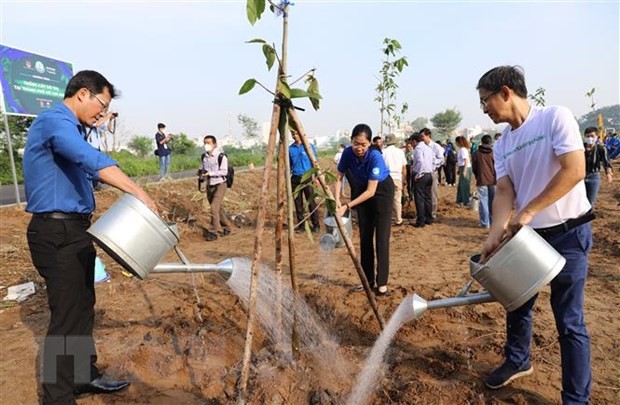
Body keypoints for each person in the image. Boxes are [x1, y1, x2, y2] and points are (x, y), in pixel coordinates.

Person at [22, 70, 157, 405]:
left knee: (83, 308)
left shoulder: (76, 128)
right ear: (83, 93)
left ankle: (83, 375)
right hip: (55, 232)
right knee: (66, 316)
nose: (103, 113)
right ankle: (57, 396)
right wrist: (136, 190)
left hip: (76, 230)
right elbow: (89, 160)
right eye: (103, 104)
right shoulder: (55, 121)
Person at [477, 65, 594, 404]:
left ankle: (575, 398)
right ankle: (517, 360)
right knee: (517, 303)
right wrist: (494, 234)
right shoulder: (503, 145)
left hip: (569, 233)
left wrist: (529, 210)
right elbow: (503, 192)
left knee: (569, 320)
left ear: (505, 92)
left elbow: (575, 169)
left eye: (485, 101)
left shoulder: (554, 118)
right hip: (530, 239)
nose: (484, 109)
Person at [334, 124, 394, 296]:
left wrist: (347, 206)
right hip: (362, 191)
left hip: (381, 192)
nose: (359, 148)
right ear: (351, 141)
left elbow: (371, 191)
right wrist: (337, 199)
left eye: (363, 145)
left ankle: (381, 284)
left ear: (369, 144)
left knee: (381, 239)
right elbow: (339, 177)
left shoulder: (375, 157)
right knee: (365, 238)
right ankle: (368, 281)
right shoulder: (347, 153)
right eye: (356, 143)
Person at [200, 135, 232, 241]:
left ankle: (215, 231)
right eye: (205, 143)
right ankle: (227, 227)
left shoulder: (221, 157)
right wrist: (202, 175)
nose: (206, 145)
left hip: (220, 184)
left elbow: (224, 171)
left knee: (214, 208)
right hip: (210, 185)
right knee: (218, 209)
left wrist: (211, 173)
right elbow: (204, 171)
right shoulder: (204, 157)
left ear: (215, 144)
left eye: (209, 143)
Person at [289, 130, 320, 233]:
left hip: (307, 177)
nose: (295, 136)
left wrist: (317, 177)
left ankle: (316, 225)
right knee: (298, 203)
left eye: (296, 133)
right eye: (293, 134)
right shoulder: (290, 149)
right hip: (295, 178)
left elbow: (315, 162)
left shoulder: (309, 146)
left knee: (311, 201)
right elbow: (288, 165)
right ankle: (301, 226)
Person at [583, 127, 613, 208]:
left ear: (596, 137)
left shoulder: (601, 148)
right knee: (579, 201)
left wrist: (609, 174)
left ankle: (587, 220)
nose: (590, 138)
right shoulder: (580, 148)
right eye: (588, 136)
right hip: (580, 177)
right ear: (585, 137)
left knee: (590, 202)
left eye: (592, 136)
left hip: (594, 177)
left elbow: (606, 162)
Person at [86, 112, 117, 191]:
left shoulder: (98, 122)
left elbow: (108, 129)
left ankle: (96, 185)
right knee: (89, 167)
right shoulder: (88, 121)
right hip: (90, 147)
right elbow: (98, 124)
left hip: (97, 147)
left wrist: (110, 120)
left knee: (96, 167)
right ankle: (90, 186)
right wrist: (108, 116)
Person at [471, 134, 496, 228]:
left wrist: (477, 176)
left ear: (482, 142)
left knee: (483, 202)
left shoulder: (477, 153)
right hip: (493, 180)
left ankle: (485, 223)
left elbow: (474, 167)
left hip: (482, 179)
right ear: (490, 142)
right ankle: (492, 221)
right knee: (492, 202)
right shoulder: (494, 153)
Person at [409, 133, 434, 228]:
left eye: (412, 142)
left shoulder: (418, 149)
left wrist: (419, 174)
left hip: (421, 175)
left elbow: (420, 161)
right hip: (429, 174)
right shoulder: (428, 148)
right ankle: (429, 218)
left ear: (415, 141)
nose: (411, 145)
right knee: (428, 197)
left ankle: (421, 221)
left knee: (419, 198)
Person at [382, 134, 407, 225]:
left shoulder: (383, 152)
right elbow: (404, 167)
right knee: (397, 200)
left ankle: (386, 219)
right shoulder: (400, 152)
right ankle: (398, 219)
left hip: (386, 178)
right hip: (397, 177)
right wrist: (404, 179)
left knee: (386, 200)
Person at [420, 128, 445, 219]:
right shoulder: (421, 147)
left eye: (423, 136)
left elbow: (442, 160)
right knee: (424, 194)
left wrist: (433, 165)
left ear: (428, 136)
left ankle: (432, 213)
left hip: (432, 173)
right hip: (423, 173)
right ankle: (424, 213)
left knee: (433, 193)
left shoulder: (436, 147)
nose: (422, 138)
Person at [455, 136, 472, 206]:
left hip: (465, 168)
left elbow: (466, 160)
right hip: (463, 167)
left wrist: (464, 170)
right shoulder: (463, 149)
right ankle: (460, 200)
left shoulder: (463, 150)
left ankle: (465, 201)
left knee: (465, 185)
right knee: (461, 185)